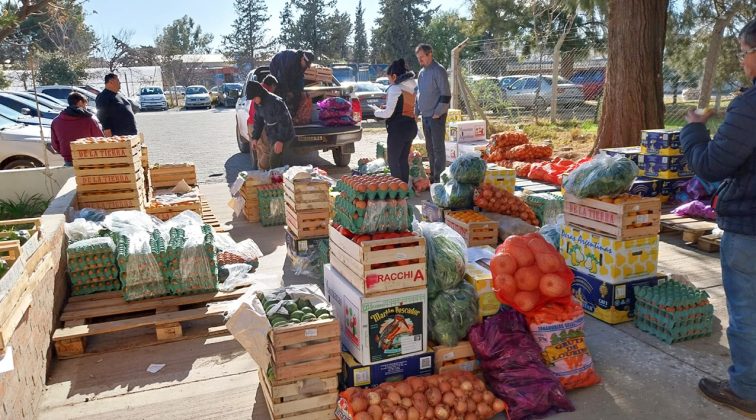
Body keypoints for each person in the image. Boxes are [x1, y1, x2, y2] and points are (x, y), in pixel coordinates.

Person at [681, 18, 756, 417]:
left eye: (744, 54)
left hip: (750, 226)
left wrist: (693, 131)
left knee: (747, 311)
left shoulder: (750, 106)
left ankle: (746, 389)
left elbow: (711, 165)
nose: (743, 63)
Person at [372, 59, 417, 182]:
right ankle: (404, 190)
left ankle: (398, 192)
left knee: (393, 161)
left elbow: (388, 113)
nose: (389, 81)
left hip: (398, 129)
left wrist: (376, 112)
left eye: (389, 79)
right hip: (411, 126)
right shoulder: (412, 86)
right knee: (403, 160)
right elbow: (404, 106)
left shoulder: (395, 88)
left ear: (394, 76)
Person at [415, 43, 451, 183]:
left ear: (430, 54)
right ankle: (433, 175)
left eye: (422, 57)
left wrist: (438, 112)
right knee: (429, 148)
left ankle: (439, 178)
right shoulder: (421, 73)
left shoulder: (439, 70)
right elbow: (419, 93)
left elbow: (446, 94)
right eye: (418, 58)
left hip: (436, 116)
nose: (420, 60)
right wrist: (416, 111)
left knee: (438, 148)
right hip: (425, 116)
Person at [247, 81, 295, 169]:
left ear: (259, 93)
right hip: (272, 135)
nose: (254, 101)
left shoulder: (275, 101)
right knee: (277, 161)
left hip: (284, 134)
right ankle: (280, 179)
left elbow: (284, 121)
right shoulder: (258, 104)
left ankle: (276, 179)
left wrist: (280, 140)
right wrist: (255, 138)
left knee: (274, 161)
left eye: (254, 98)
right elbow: (258, 121)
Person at [51, 92, 104, 166]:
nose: (86, 108)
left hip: (68, 160)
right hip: (89, 159)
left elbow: (55, 144)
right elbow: (100, 140)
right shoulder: (89, 120)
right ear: (80, 102)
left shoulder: (56, 121)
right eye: (85, 105)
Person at [246, 75, 278, 170]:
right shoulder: (264, 92)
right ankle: (264, 173)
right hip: (258, 125)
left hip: (251, 124)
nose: (274, 91)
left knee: (260, 151)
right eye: (274, 88)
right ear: (272, 85)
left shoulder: (257, 88)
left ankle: (262, 174)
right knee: (267, 151)